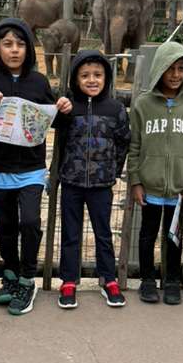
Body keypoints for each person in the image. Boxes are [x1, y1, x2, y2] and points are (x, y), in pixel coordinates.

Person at [0, 17, 72, 315]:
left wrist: (64, 109)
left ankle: (28, 278)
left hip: (31, 169)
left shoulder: (38, 82)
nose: (14, 50)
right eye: (7, 44)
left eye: (20, 44)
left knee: (29, 222)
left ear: (29, 49)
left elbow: (54, 119)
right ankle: (11, 275)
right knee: (5, 226)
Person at [127, 41, 183, 305]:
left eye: (181, 68)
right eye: (170, 68)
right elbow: (134, 146)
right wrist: (135, 180)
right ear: (159, 68)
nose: (175, 74)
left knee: (174, 238)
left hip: (179, 190)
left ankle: (171, 281)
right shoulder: (143, 104)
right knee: (147, 236)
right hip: (150, 187)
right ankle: (147, 280)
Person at [55, 50, 131, 309]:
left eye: (97, 75)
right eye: (85, 75)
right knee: (70, 234)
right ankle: (68, 281)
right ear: (75, 79)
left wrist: (112, 171)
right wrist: (60, 111)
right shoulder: (69, 107)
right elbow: (55, 133)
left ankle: (109, 279)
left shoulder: (115, 109)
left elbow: (123, 142)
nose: (91, 80)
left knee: (103, 233)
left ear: (106, 78)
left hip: (101, 185)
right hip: (71, 182)